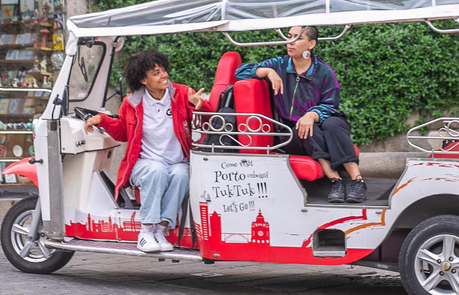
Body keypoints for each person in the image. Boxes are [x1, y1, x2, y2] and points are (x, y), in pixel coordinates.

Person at [84, 50, 212, 252]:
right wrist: (103, 119)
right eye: (156, 73)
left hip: (177, 162)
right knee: (156, 170)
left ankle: (160, 231)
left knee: (181, 175)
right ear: (143, 79)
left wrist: (201, 105)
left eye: (163, 70)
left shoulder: (182, 94)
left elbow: (207, 120)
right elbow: (123, 133)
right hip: (145, 164)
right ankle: (145, 232)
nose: (164, 75)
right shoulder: (132, 102)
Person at [235, 26, 366, 204]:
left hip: (323, 120)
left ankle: (358, 181)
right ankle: (336, 181)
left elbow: (331, 104)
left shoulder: (323, 71)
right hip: (292, 133)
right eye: (289, 37)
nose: (290, 42)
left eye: (297, 38)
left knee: (333, 125)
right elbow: (240, 72)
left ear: (311, 44)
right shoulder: (279, 65)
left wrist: (312, 114)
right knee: (305, 129)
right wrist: (267, 72)